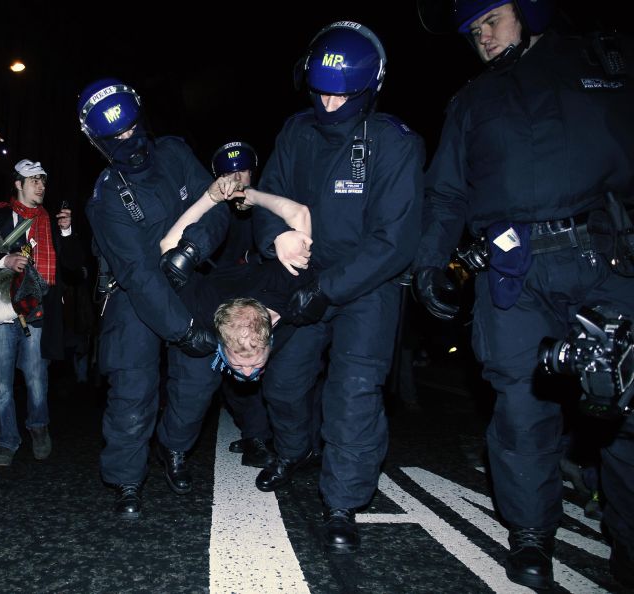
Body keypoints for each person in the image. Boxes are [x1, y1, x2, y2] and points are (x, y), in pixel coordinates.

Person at [412, 1, 634, 588]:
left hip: (609, 260)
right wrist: (430, 264)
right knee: (519, 404)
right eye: (472, 31)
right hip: (514, 274)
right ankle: (530, 534)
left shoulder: (605, 63)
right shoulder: (471, 101)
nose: (482, 36)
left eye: (492, 20)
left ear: (529, 11)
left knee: (623, 400)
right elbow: (445, 195)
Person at [251, 21, 425, 553]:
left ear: (369, 88)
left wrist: (328, 288)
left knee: (352, 392)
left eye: (341, 95)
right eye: (320, 91)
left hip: (366, 284)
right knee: (283, 382)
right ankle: (295, 450)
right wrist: (275, 238)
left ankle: (343, 501)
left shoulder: (395, 143)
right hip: (303, 276)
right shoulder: (296, 131)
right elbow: (268, 195)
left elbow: (394, 241)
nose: (328, 103)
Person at [80, 78, 231, 519]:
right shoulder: (106, 196)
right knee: (132, 388)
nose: (129, 140)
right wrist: (182, 331)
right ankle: (126, 477)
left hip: (191, 277)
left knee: (200, 379)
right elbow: (136, 274)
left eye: (132, 128)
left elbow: (216, 205)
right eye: (117, 137)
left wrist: (193, 249)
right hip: (135, 294)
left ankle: (174, 446)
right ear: (99, 142)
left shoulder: (175, 153)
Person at [0, 158, 81, 466]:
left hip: (37, 308)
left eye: (43, 180)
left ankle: (38, 427)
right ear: (18, 184)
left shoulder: (52, 221)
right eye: (34, 180)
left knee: (37, 377)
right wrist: (4, 261)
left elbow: (73, 266)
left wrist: (67, 232)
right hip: (1, 309)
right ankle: (6, 440)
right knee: (1, 384)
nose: (40, 186)